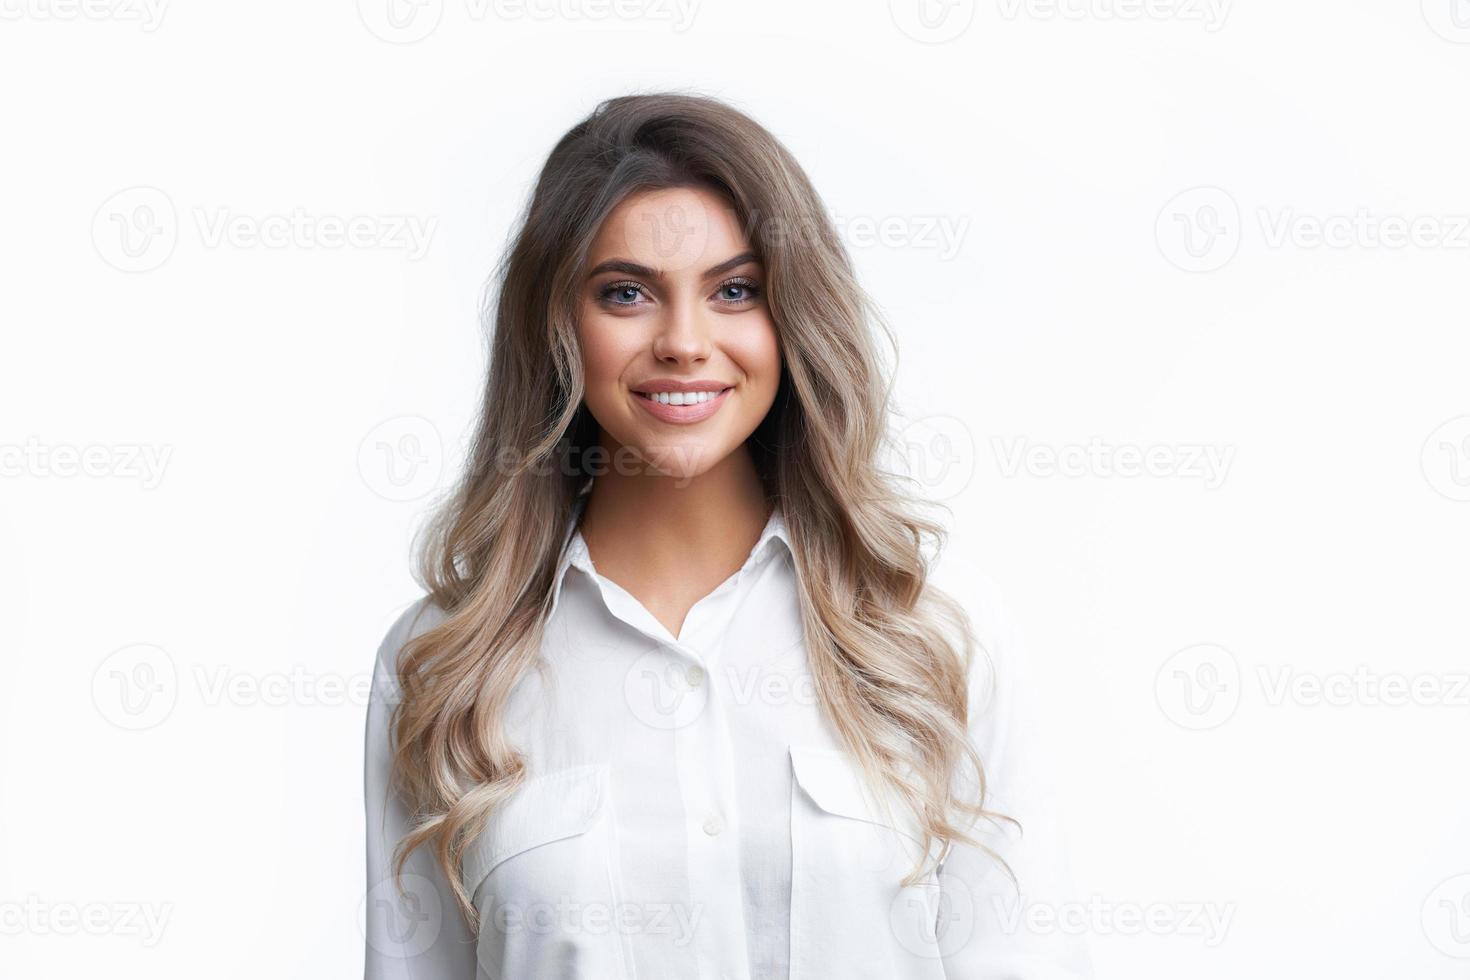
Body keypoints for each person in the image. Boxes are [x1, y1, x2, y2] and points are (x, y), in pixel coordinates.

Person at [364, 91, 1092, 979]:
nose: (683, 341)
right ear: (557, 325)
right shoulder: (442, 667)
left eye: (734, 291)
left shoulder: (936, 636)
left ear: (792, 320)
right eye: (625, 292)